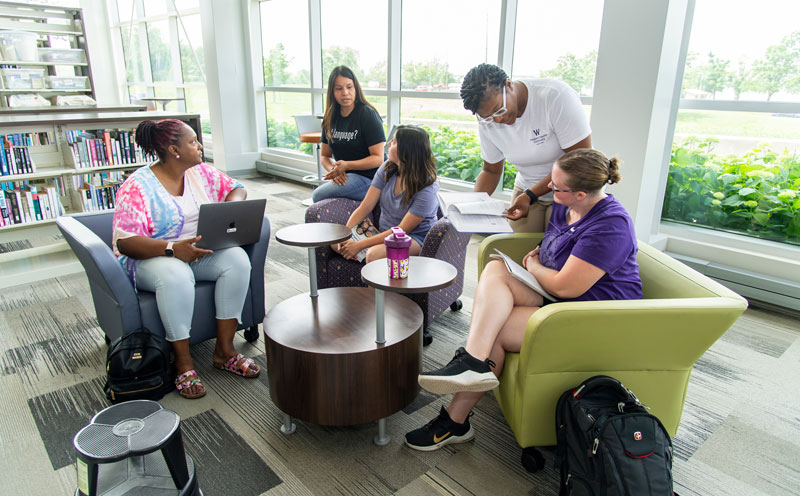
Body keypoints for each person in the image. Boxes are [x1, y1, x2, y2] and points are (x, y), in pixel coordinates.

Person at [405, 149, 643, 451]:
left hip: (594, 315)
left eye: (556, 187)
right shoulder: (565, 206)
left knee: (499, 330)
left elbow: (567, 287)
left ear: (581, 193)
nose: (549, 190)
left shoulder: (611, 226)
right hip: (558, 297)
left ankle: (454, 421)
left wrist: (534, 267)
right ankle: (472, 363)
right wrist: (537, 259)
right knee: (495, 268)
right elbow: (556, 256)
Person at [112, 119, 260, 400]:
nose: (200, 145)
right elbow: (126, 241)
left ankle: (225, 351)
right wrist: (171, 249)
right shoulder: (137, 186)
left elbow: (237, 187)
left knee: (237, 260)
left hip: (195, 251)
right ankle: (183, 363)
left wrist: (231, 207)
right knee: (176, 275)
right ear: (173, 149)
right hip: (151, 257)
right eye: (192, 141)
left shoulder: (199, 172)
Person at [460, 63, 592, 233]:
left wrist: (531, 195)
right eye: (488, 117)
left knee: (555, 252)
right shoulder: (487, 119)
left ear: (508, 85)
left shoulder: (555, 97)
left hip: (570, 188)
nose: (497, 120)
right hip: (527, 188)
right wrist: (470, 207)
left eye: (498, 110)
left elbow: (580, 160)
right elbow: (491, 171)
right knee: (515, 250)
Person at [334, 125, 439, 263]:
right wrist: (345, 235)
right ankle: (363, 260)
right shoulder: (387, 168)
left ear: (407, 150)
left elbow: (401, 231)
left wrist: (359, 245)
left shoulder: (428, 187)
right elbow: (365, 207)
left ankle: (369, 272)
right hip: (383, 234)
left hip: (413, 238)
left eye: (394, 142)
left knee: (373, 255)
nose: (389, 143)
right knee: (335, 240)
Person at [312, 65, 386, 203]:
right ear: (332, 92)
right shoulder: (330, 117)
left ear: (356, 88)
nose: (345, 92)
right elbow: (324, 155)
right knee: (324, 197)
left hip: (371, 178)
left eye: (349, 87)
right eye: (339, 88)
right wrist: (334, 171)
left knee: (318, 195)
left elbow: (378, 159)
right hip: (348, 176)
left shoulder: (367, 114)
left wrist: (347, 166)